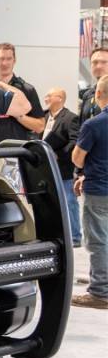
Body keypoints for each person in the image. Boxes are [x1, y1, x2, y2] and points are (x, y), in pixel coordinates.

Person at [71, 75, 108, 309]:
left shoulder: (93, 124)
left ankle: (100, 292)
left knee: (98, 241)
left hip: (99, 190)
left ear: (98, 94)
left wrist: (85, 172)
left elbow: (77, 158)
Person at [42, 87, 82, 247]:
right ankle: (55, 235)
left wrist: (58, 154)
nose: (45, 98)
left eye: (49, 96)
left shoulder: (71, 118)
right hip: (44, 166)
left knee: (69, 201)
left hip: (63, 167)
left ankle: (75, 237)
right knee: (49, 201)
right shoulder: (43, 116)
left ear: (59, 98)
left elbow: (75, 141)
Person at [0, 43, 45, 141]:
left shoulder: (27, 89)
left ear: (14, 61)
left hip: (17, 148)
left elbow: (40, 127)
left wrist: (19, 115)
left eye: (9, 59)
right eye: (1, 59)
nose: (5, 63)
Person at [80, 46, 108, 126]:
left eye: (104, 62)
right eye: (95, 62)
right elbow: (81, 125)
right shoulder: (87, 95)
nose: (98, 66)